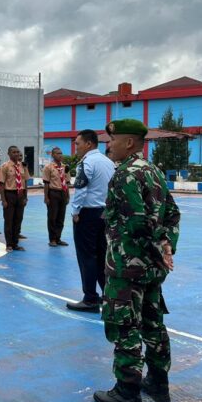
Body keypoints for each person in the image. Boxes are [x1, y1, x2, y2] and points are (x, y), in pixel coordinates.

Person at [93, 119, 180, 402]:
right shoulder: (153, 171)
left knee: (125, 326)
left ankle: (127, 392)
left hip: (126, 267)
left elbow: (136, 223)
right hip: (152, 269)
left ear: (128, 143)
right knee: (152, 323)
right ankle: (158, 383)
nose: (109, 144)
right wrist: (165, 251)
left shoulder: (125, 175)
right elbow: (172, 214)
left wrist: (138, 256)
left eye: (112, 139)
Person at [67, 129, 115, 312]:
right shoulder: (108, 162)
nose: (76, 147)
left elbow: (81, 188)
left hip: (88, 214)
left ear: (88, 144)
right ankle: (108, 295)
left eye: (78, 143)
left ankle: (90, 298)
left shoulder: (87, 163)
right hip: (104, 213)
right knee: (103, 256)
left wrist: (75, 211)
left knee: (86, 256)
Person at [0, 146, 30, 252]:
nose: (16, 154)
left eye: (17, 152)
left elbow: (25, 182)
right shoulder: (5, 166)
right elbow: (1, 184)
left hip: (20, 195)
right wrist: (3, 200)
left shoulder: (23, 166)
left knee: (18, 220)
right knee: (9, 220)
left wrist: (25, 197)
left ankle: (16, 243)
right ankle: (9, 244)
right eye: (14, 152)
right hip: (9, 194)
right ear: (9, 154)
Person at [42, 147, 70, 247]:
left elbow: (66, 182)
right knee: (52, 217)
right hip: (53, 193)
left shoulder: (65, 167)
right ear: (52, 155)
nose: (60, 155)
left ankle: (58, 238)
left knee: (61, 217)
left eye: (61, 153)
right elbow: (46, 183)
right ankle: (52, 239)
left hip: (63, 193)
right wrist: (46, 197)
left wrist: (68, 195)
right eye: (58, 153)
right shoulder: (48, 167)